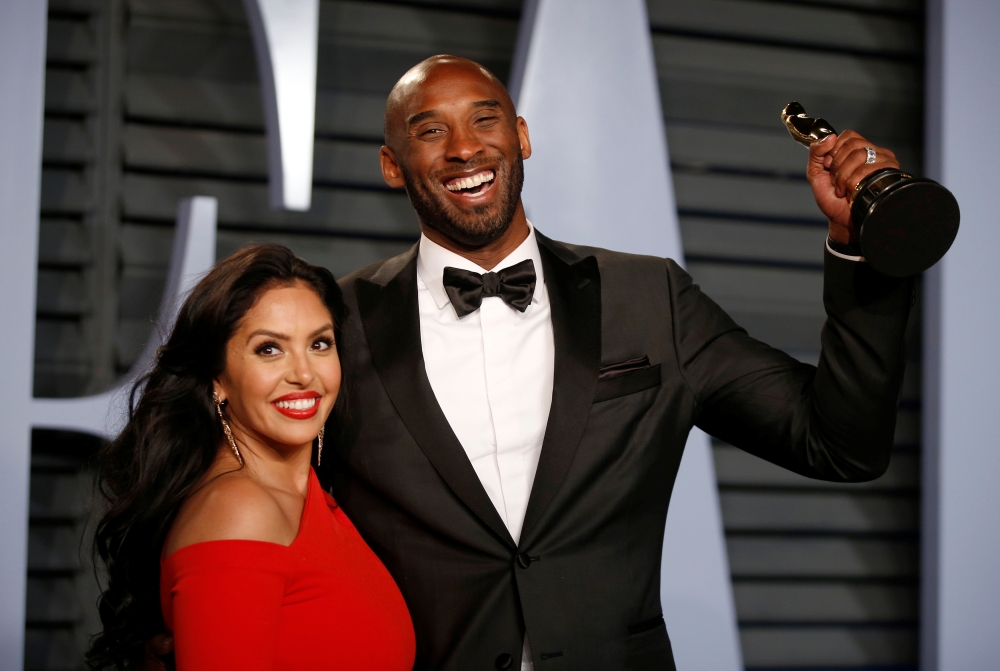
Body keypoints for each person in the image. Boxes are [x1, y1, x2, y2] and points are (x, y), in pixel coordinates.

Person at [321, 54, 914, 671]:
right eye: (430, 131)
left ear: (521, 137)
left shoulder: (648, 296)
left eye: (484, 120)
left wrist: (861, 247)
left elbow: (841, 446)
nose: (465, 149)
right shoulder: (332, 321)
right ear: (393, 165)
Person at [86, 244, 415, 670]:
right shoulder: (239, 509)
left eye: (319, 343)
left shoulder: (310, 498)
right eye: (269, 349)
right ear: (216, 377)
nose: (303, 373)